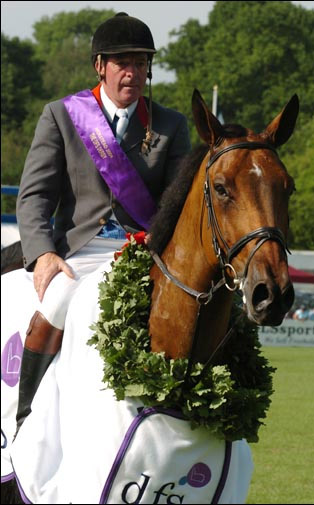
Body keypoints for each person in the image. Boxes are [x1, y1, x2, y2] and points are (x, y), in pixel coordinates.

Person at [8, 12, 191, 434]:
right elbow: (34, 195)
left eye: (141, 63)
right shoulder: (62, 115)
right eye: (123, 62)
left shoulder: (170, 125)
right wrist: (44, 253)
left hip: (145, 250)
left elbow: (177, 204)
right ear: (100, 66)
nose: (133, 73)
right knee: (56, 302)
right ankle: (27, 416)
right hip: (80, 250)